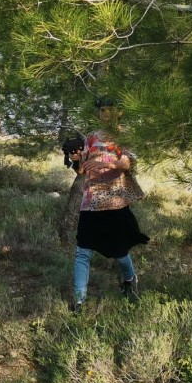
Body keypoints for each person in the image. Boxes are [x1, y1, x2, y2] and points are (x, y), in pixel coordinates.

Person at [68, 97, 149, 312]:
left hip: (115, 201)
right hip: (90, 201)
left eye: (109, 110)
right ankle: (78, 300)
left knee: (120, 252)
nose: (104, 114)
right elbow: (81, 171)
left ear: (119, 112)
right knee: (83, 251)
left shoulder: (126, 136)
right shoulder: (91, 137)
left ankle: (130, 280)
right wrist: (76, 158)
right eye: (102, 110)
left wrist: (105, 163)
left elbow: (126, 163)